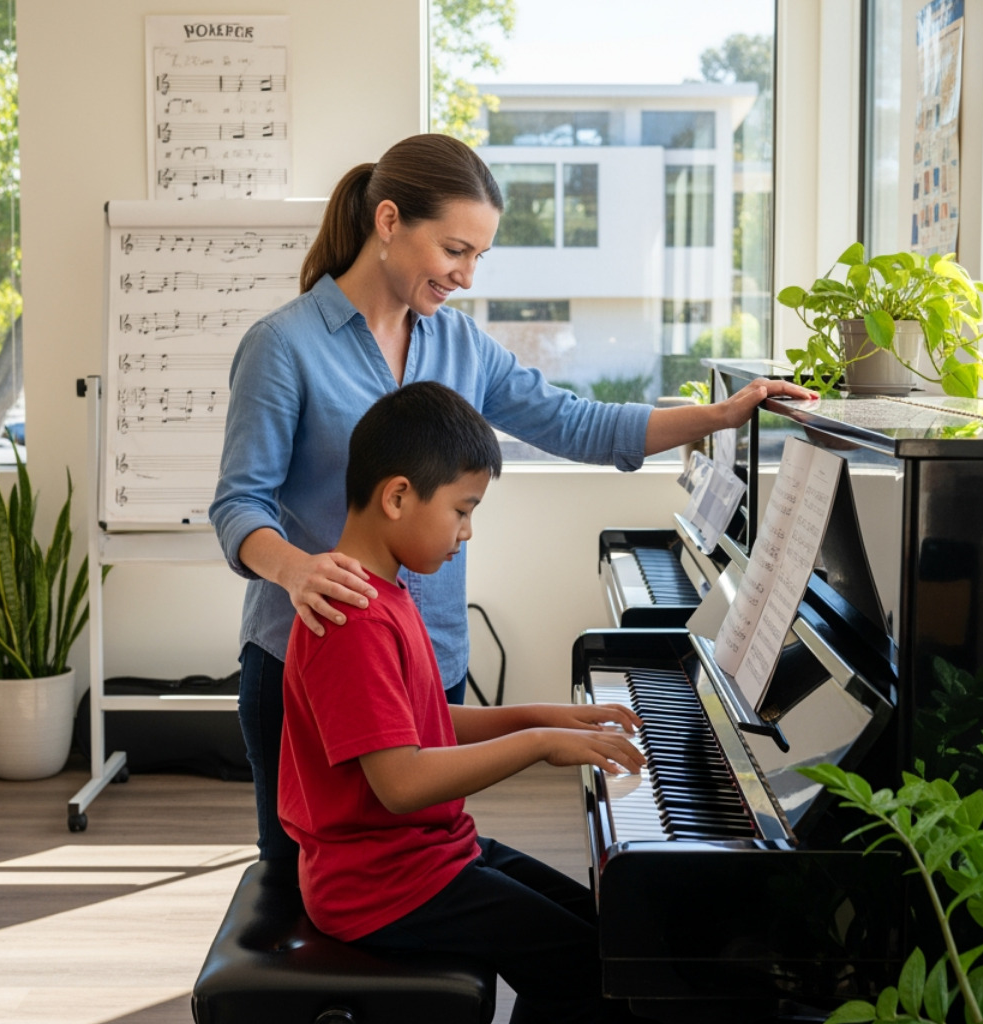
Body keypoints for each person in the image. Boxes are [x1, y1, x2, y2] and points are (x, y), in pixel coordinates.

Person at [209, 132, 812, 865]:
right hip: (303, 665)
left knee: (417, 875)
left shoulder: (461, 345)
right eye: (455, 250)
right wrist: (296, 569)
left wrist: (714, 417)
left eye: (478, 257)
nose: (465, 275)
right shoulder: (283, 345)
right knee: (308, 888)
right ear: (390, 222)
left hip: (429, 657)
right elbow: (239, 506)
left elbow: (576, 423)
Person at [279, 382, 645, 1023]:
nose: (468, 532)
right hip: (382, 886)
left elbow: (418, 722)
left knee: (607, 929)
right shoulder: (353, 618)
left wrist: (540, 716)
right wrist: (536, 746)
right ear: (397, 497)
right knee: (588, 965)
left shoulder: (386, 590)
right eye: (462, 509)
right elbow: (399, 781)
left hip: (424, 853)